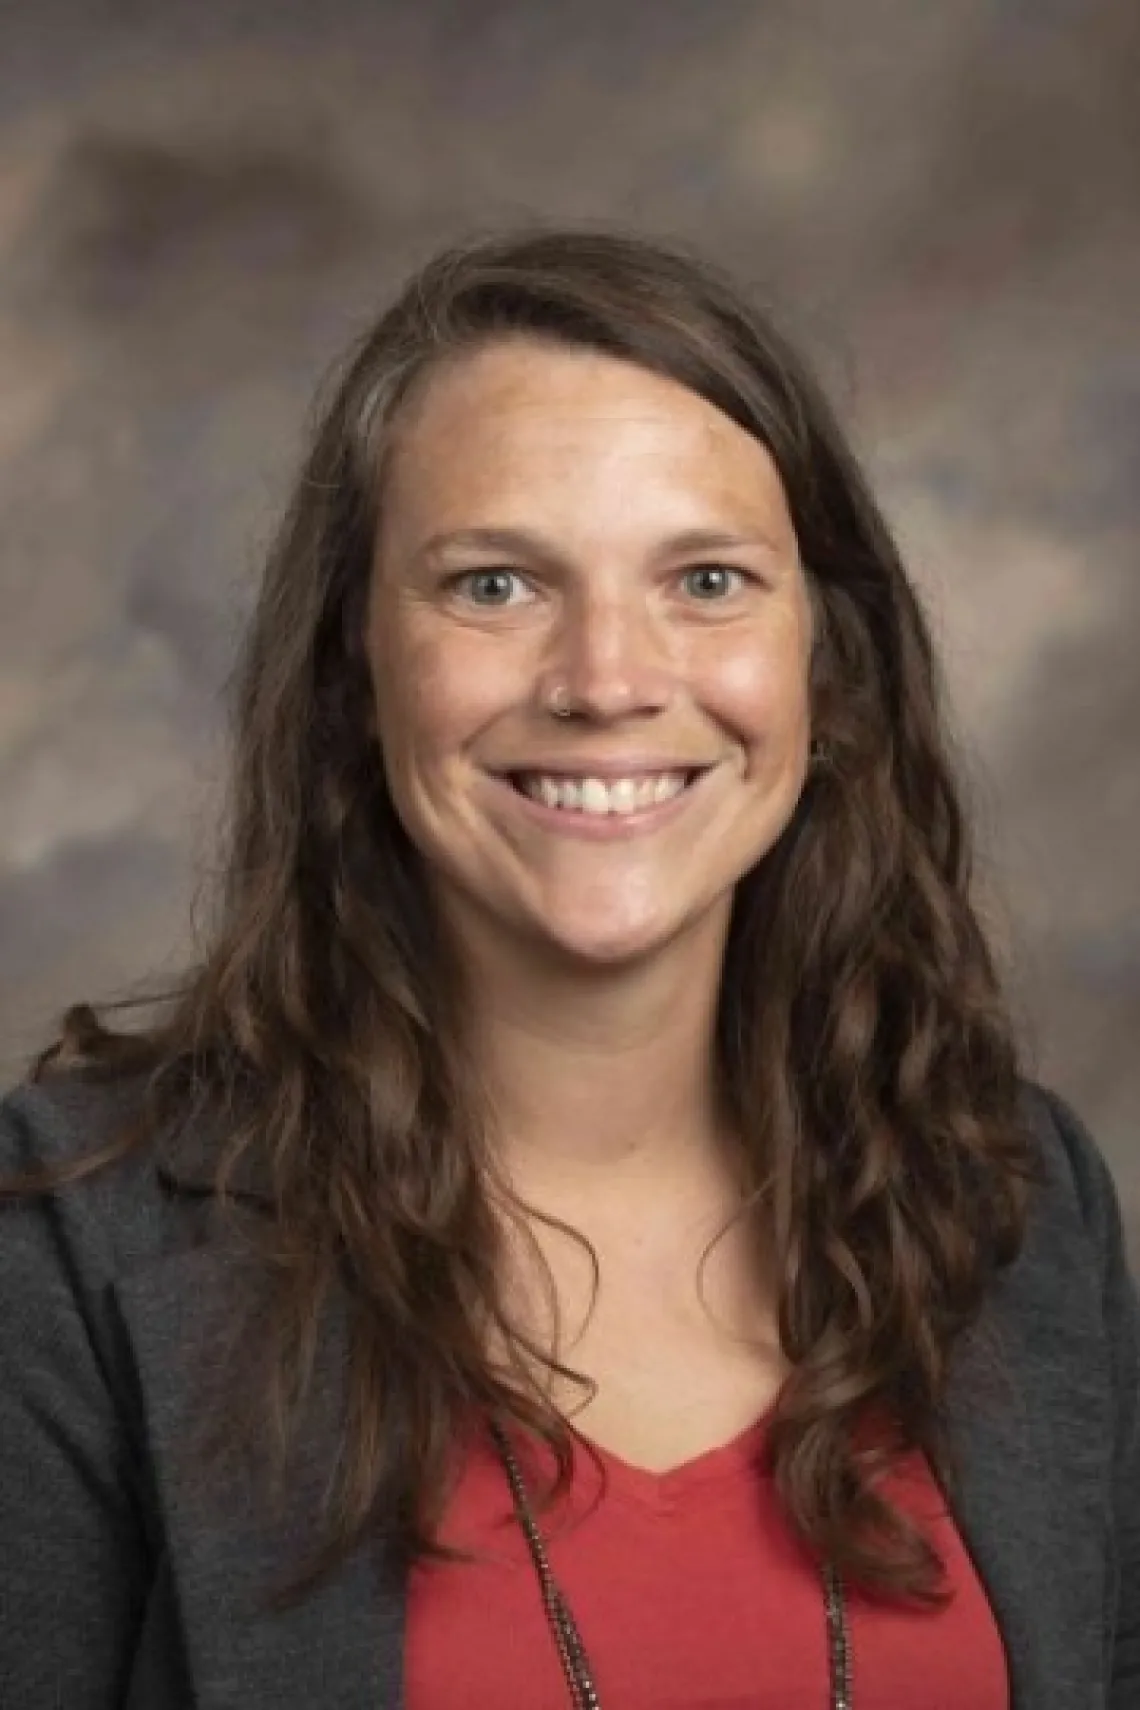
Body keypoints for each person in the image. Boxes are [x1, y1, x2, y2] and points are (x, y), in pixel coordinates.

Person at [0, 227, 1135, 1710]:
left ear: (824, 665)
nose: (606, 678)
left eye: (709, 579)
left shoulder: (1020, 1199)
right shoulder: (79, 1244)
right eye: (494, 587)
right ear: (355, 667)